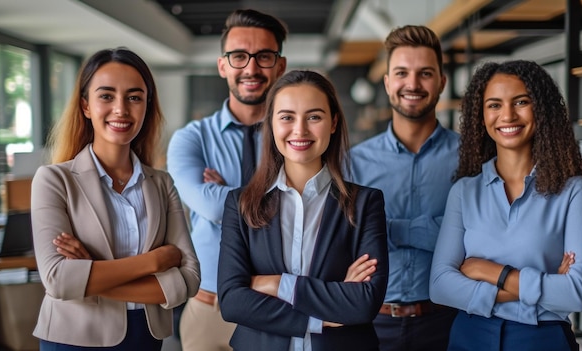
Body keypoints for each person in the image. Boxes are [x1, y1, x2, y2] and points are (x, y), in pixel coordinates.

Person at [30, 47, 201, 351]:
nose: (121, 109)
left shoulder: (161, 183)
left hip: (146, 338)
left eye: (134, 97)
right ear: (85, 105)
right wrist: (153, 261)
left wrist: (91, 274)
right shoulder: (54, 180)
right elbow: (58, 280)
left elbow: (187, 281)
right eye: (106, 96)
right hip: (73, 339)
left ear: (147, 106)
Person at [429, 60, 582, 350]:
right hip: (470, 337)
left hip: (543, 338)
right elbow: (440, 286)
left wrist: (491, 271)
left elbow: (578, 292)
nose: (507, 115)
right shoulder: (464, 192)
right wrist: (539, 286)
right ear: (481, 116)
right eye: (494, 105)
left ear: (541, 110)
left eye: (521, 102)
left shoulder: (573, 192)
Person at [217, 69, 388, 351]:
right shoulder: (241, 204)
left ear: (333, 123)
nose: (300, 130)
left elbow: (363, 303)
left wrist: (276, 285)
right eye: (287, 117)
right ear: (270, 124)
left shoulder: (365, 202)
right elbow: (233, 302)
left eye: (314, 117)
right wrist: (319, 318)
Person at [166, 8, 288, 351]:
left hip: (280, 306)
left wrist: (229, 194)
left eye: (264, 56)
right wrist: (276, 195)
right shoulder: (191, 139)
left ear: (280, 65)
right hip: (210, 311)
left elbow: (315, 209)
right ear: (223, 65)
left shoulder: (298, 135)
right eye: (238, 57)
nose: (251, 68)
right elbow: (211, 206)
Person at [349, 25, 459, 351]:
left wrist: (386, 229)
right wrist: (439, 232)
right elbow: (347, 239)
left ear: (441, 82)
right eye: (401, 73)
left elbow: (475, 239)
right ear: (387, 83)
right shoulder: (354, 163)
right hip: (370, 323)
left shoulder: (472, 159)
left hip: (449, 322)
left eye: (425, 73)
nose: (412, 84)